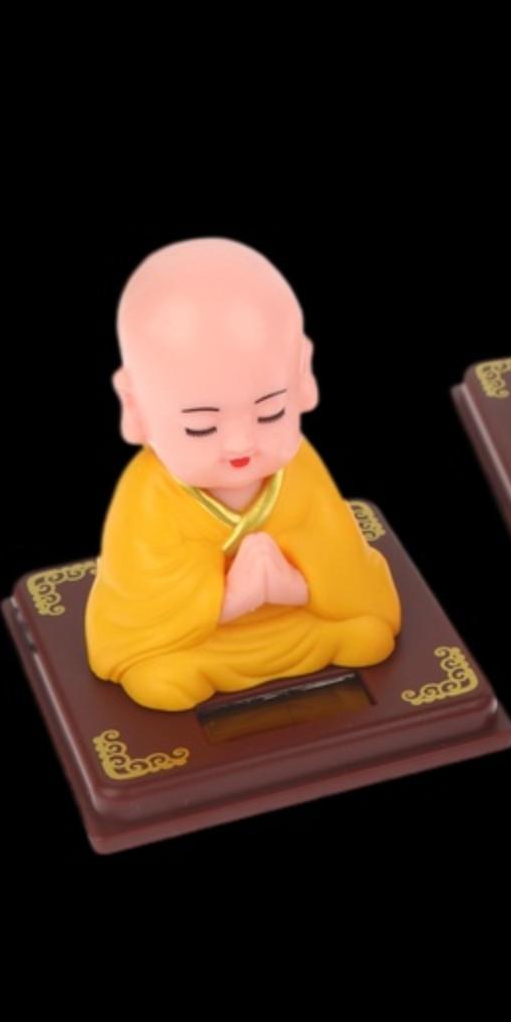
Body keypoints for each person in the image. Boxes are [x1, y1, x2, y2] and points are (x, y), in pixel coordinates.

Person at [85, 238, 401, 711]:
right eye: (201, 426)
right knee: (159, 682)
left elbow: (347, 564)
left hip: (295, 620)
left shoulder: (299, 469)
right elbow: (135, 606)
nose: (239, 444)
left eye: (270, 413)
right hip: (202, 640)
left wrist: (293, 587)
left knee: (369, 638)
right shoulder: (148, 495)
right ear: (135, 407)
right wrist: (233, 597)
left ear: (301, 378)